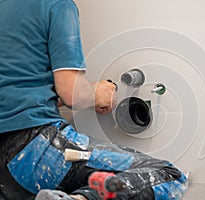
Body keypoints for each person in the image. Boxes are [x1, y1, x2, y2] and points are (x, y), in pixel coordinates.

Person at [0, 0, 188, 200]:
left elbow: (19, 94)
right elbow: (73, 93)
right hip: (33, 151)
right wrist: (96, 93)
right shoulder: (57, 5)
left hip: (10, 170)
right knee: (165, 175)